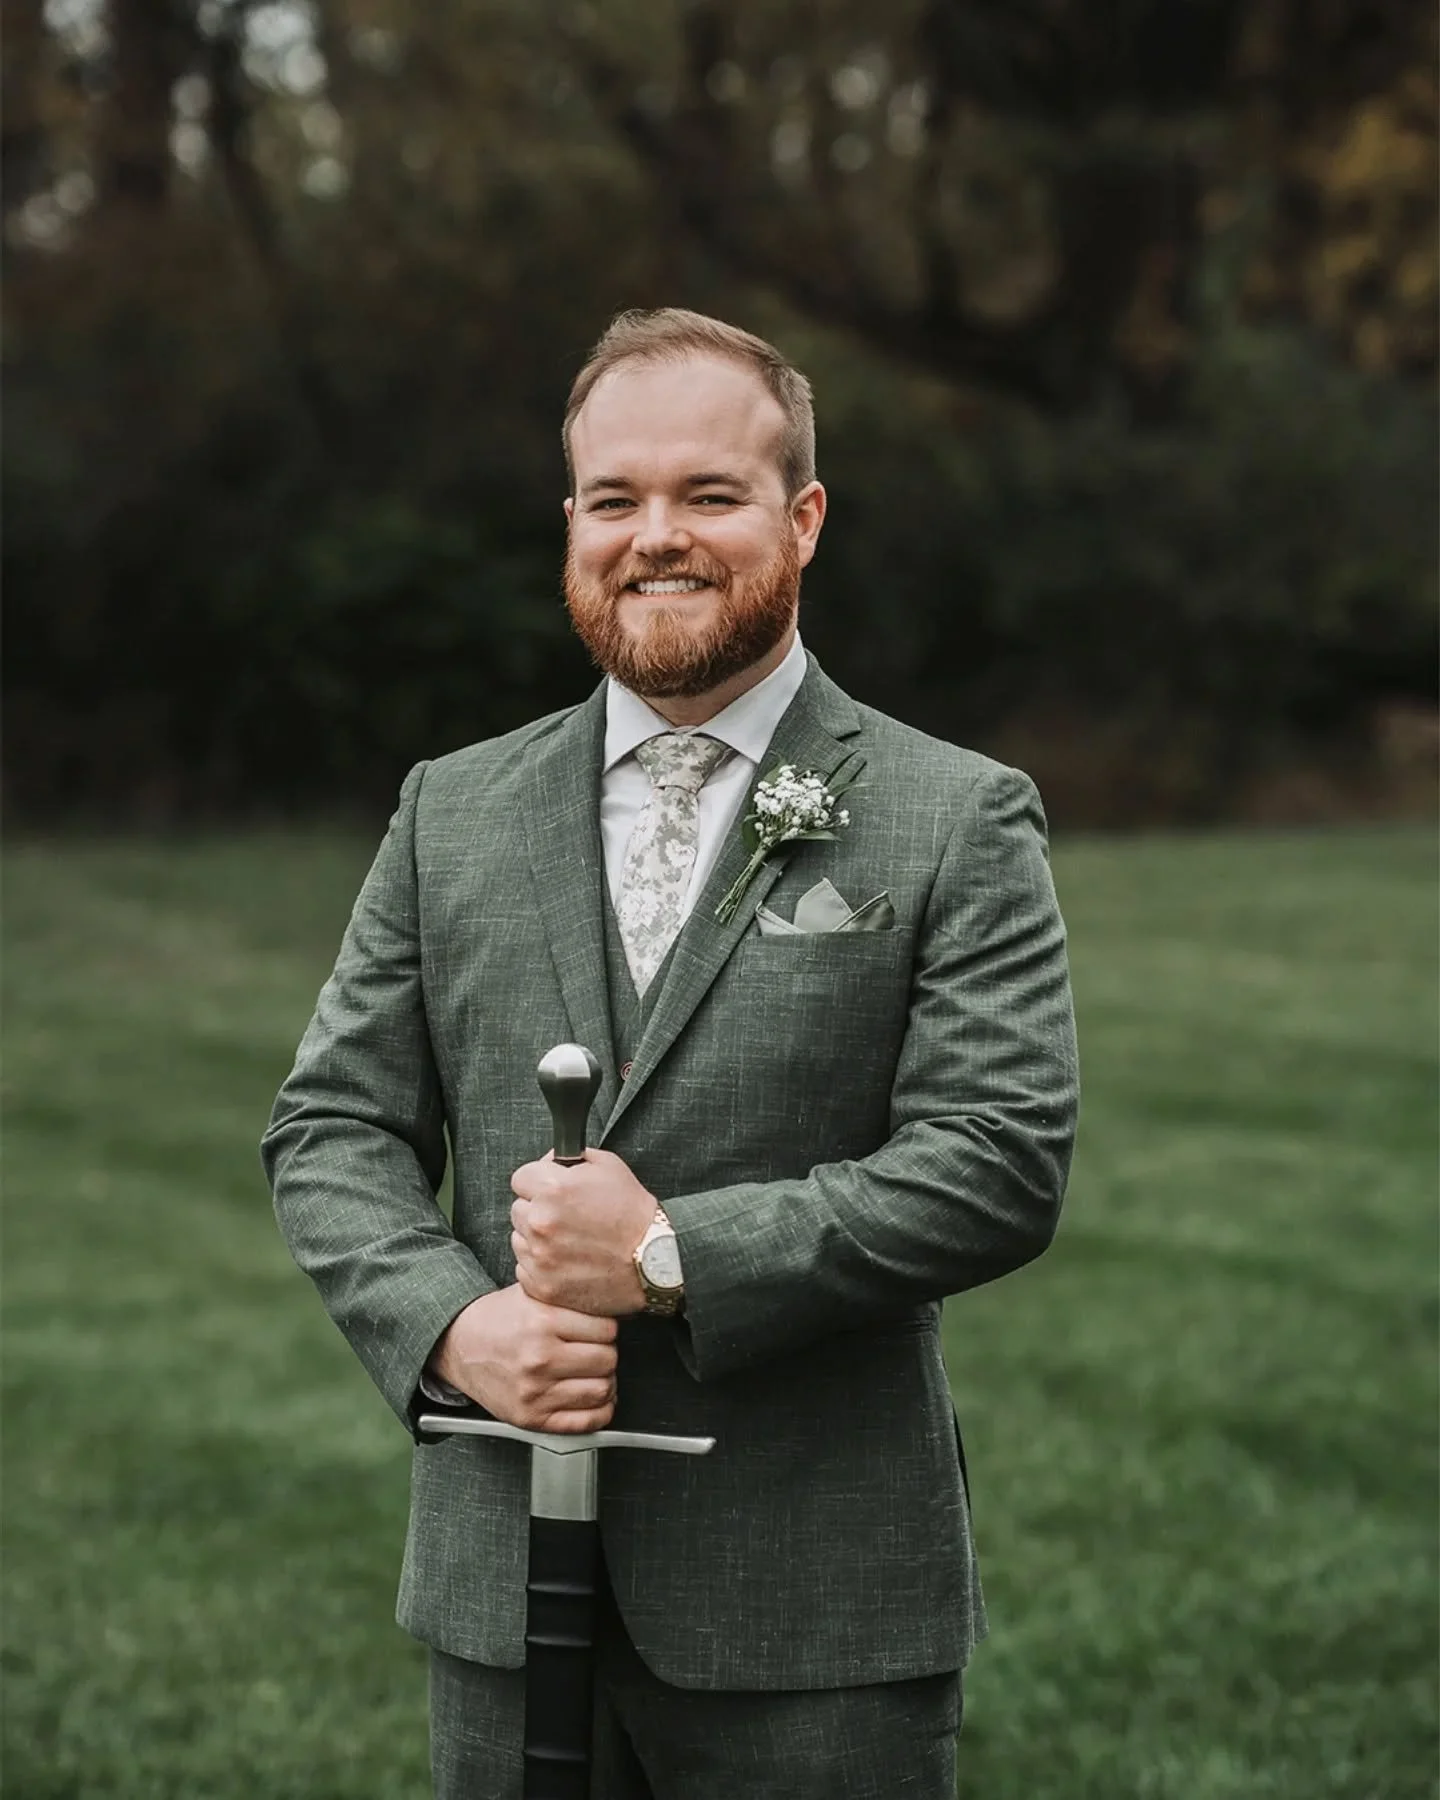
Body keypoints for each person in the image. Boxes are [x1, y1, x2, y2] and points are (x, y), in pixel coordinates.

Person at [262, 307, 1078, 1799]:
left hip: (816, 1609)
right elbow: (329, 1129)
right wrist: (455, 1332)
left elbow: (997, 1163)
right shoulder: (455, 810)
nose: (659, 536)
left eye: (710, 494)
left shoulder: (951, 814)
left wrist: (668, 1256)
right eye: (615, 499)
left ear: (803, 517)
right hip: (502, 1591)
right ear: (570, 521)